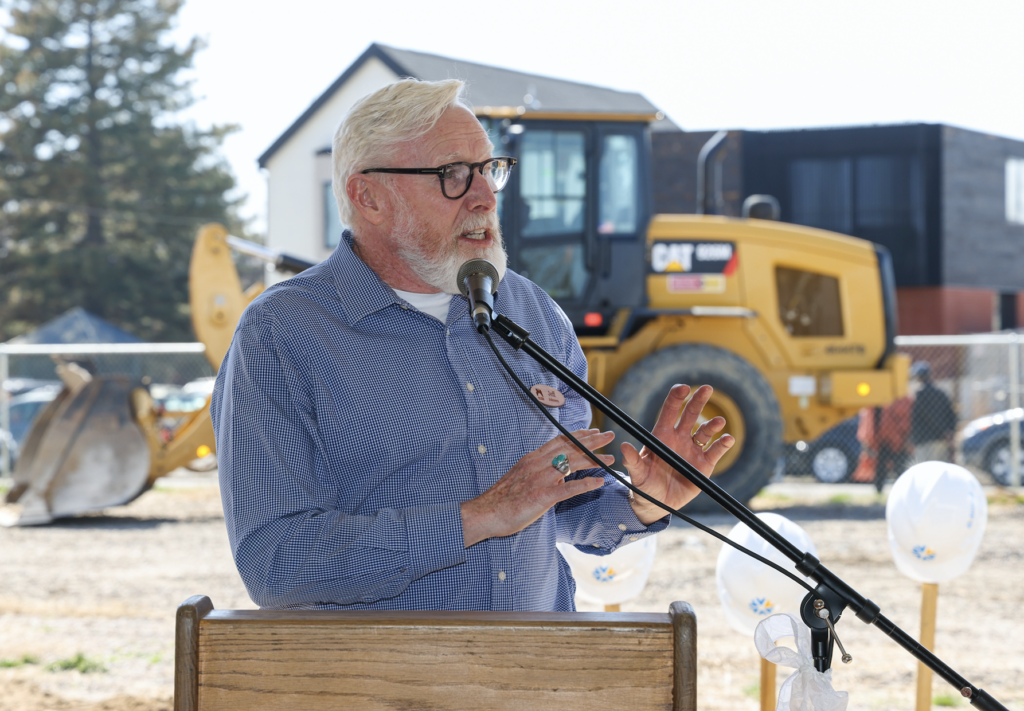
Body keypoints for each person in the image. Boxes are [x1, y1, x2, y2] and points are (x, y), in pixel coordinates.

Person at [210, 79, 734, 611]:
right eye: (453, 175)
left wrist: (644, 502)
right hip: (378, 688)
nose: (484, 196)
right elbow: (275, 563)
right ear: (368, 197)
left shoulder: (536, 316)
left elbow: (562, 507)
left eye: (489, 169)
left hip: (539, 678)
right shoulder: (282, 334)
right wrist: (476, 518)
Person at [910, 361, 957, 463]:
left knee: (924, 470)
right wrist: (949, 432)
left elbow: (913, 418)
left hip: (923, 440)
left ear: (917, 377)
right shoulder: (941, 393)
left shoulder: (916, 395)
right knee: (940, 468)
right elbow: (952, 415)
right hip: (941, 439)